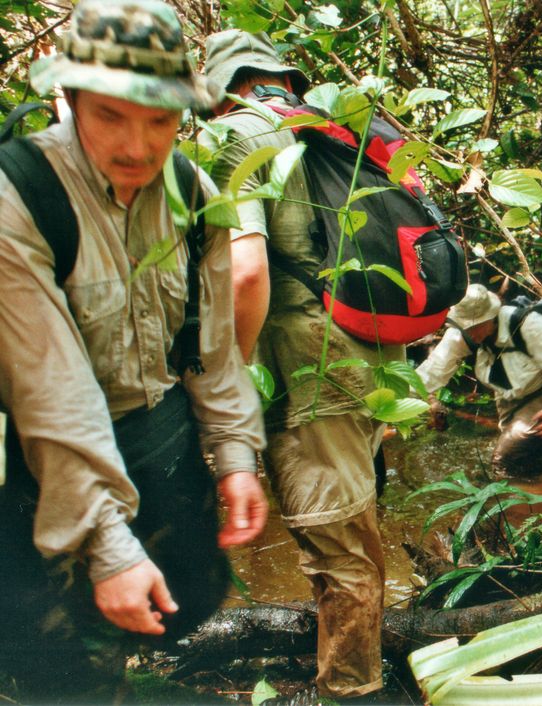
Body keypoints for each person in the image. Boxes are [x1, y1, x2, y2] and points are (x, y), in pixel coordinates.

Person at [0, 1, 268, 701]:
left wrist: (236, 457)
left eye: (160, 120)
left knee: (170, 607)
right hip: (36, 462)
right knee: (53, 663)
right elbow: (47, 389)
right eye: (111, 115)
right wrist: (109, 547)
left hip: (154, 439)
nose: (137, 146)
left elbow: (211, 349)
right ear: (69, 99)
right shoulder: (20, 196)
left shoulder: (190, 191)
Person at [202, 30, 404, 700]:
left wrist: (226, 374)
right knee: (351, 525)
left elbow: (246, 271)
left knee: (336, 542)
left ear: (222, 86)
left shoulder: (241, 133)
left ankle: (351, 690)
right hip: (374, 356)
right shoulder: (335, 128)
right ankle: (344, 669)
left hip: (309, 363)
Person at [417, 284, 542, 475]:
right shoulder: (461, 335)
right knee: (524, 451)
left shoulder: (528, 324)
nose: (471, 333)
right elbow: (432, 372)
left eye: (477, 325)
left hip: (541, 394)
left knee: (505, 459)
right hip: (506, 395)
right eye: (466, 327)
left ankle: (526, 495)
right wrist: (394, 401)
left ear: (493, 316)